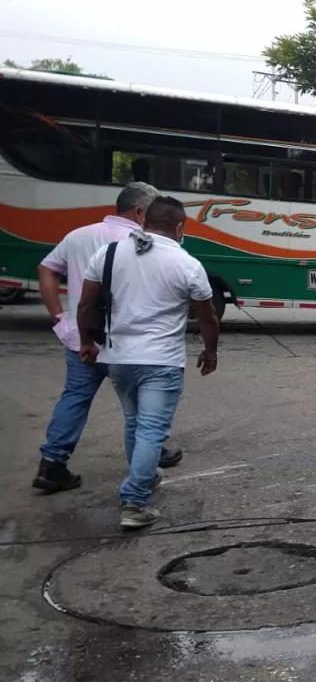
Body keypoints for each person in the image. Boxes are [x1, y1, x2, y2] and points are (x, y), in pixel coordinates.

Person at [77, 196, 221, 530]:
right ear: (180, 227)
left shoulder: (108, 253)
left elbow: (86, 305)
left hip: (118, 358)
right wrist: (210, 352)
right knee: (152, 430)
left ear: (145, 221)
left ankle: (145, 478)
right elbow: (208, 317)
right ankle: (135, 501)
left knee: (134, 422)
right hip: (161, 361)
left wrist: (86, 342)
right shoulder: (186, 263)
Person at [31, 182, 185, 494]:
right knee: (142, 406)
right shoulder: (143, 243)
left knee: (75, 397)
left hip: (81, 337)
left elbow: (47, 269)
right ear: (141, 212)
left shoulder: (78, 235)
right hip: (127, 342)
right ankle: (147, 463)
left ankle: (52, 464)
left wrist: (58, 316)